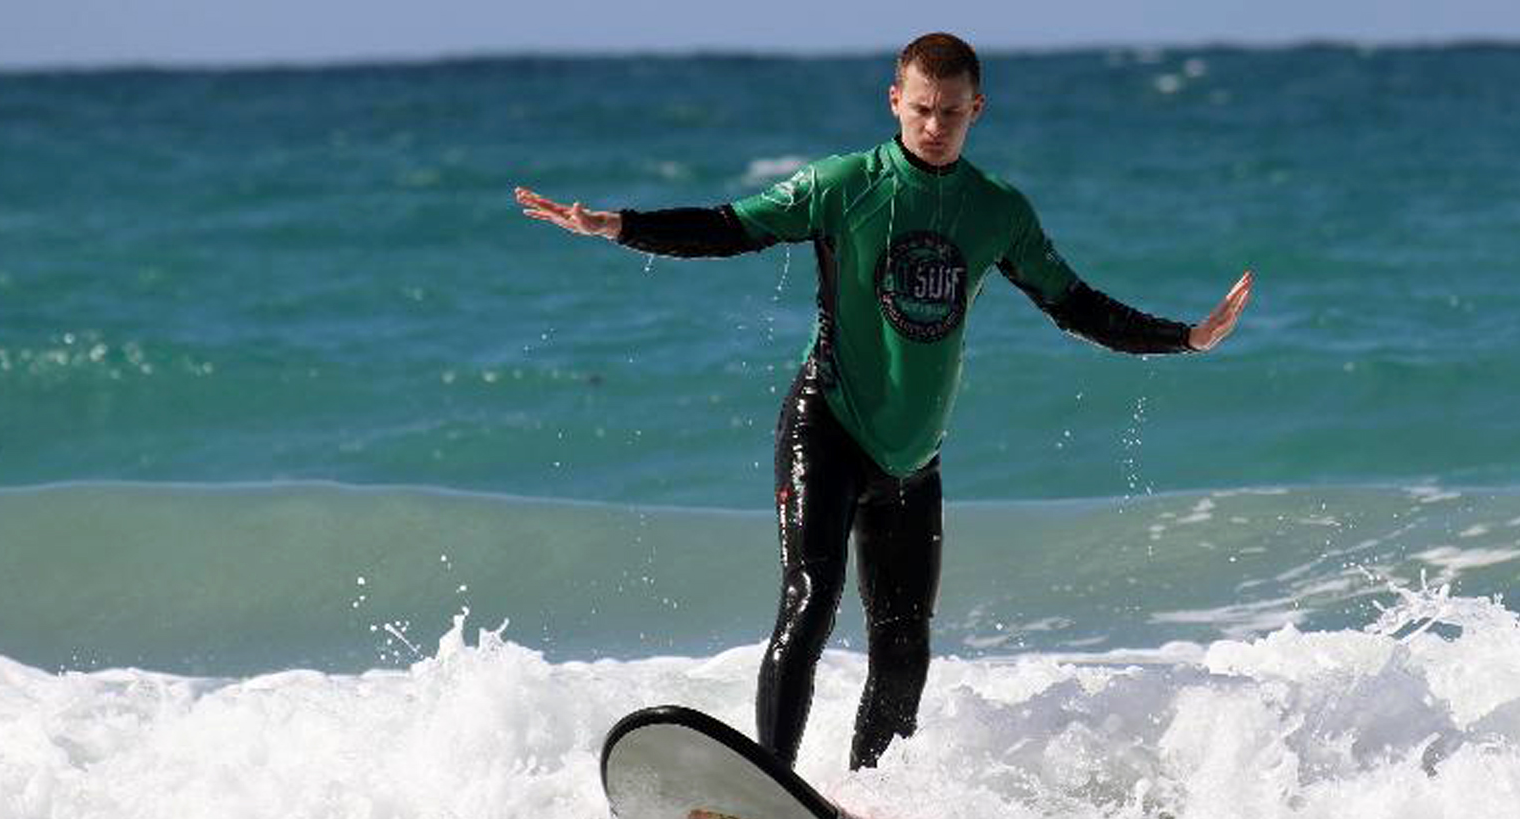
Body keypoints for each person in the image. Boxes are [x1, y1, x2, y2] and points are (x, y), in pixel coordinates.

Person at [516, 32, 1251, 770]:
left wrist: (1183, 338)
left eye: (952, 114)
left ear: (977, 110)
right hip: (828, 423)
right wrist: (619, 225)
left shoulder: (997, 210)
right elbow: (729, 226)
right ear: (894, 101)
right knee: (810, 604)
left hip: (913, 458)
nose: (935, 128)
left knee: (905, 653)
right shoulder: (843, 184)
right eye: (922, 110)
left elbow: (1075, 304)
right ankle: (773, 783)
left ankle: (868, 807)